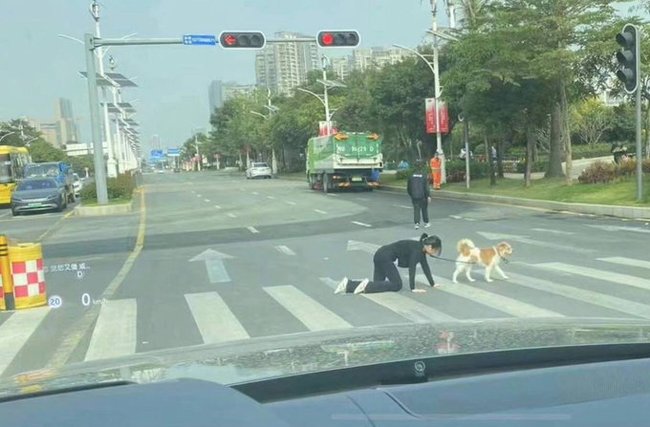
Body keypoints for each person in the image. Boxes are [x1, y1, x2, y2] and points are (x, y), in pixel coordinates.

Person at [335, 234, 442, 295]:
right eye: (435, 250)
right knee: (397, 285)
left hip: (379, 254)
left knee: (378, 284)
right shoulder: (417, 251)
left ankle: (348, 285)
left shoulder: (420, 249)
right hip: (385, 257)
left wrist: (432, 284)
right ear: (429, 247)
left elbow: (425, 267)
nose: (435, 253)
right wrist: (413, 288)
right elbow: (412, 268)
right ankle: (363, 285)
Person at [407, 163, 431, 229]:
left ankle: (417, 223)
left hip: (414, 196)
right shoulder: (424, 175)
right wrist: (428, 196)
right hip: (422, 196)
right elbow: (426, 187)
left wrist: (411, 194)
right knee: (424, 209)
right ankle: (426, 223)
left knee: (416, 209)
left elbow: (409, 187)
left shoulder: (411, 176)